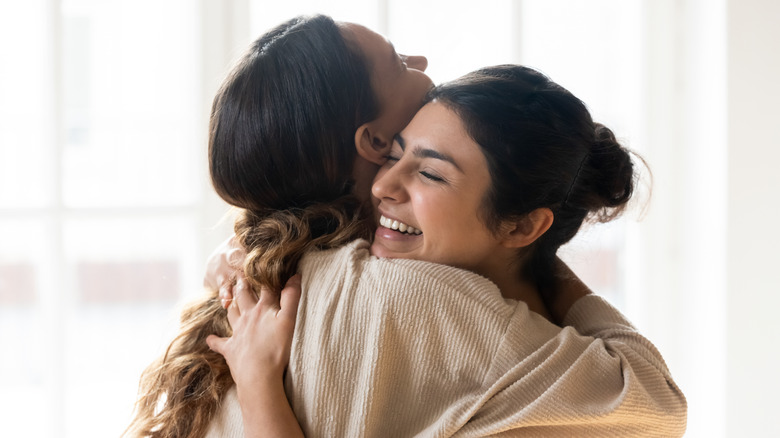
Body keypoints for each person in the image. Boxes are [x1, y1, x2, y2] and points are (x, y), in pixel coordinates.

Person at [205, 65, 687, 436]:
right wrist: (546, 267)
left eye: (431, 173)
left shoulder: (310, 269)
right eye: (393, 155)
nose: (384, 186)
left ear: (521, 224)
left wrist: (256, 379)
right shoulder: (433, 304)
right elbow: (658, 401)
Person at [124, 14, 431, 438]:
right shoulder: (393, 295)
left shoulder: (256, 274)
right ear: (375, 142)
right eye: (399, 63)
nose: (424, 61)